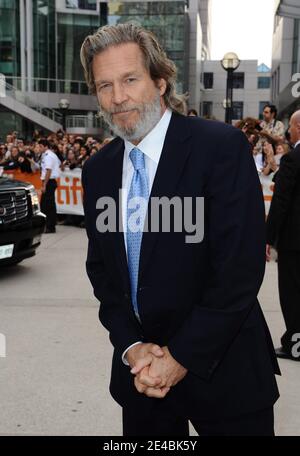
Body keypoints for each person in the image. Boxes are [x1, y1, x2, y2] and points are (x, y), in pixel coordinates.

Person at [80, 23, 280, 436]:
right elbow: (103, 273)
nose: (117, 98)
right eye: (104, 85)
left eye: (130, 79)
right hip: (142, 383)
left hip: (226, 374)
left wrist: (179, 357)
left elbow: (239, 269)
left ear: (160, 80)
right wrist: (131, 347)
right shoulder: (97, 171)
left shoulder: (220, 148)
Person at [266, 110, 300, 361]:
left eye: (291, 126)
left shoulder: (293, 159)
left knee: (292, 293)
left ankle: (294, 344)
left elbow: (281, 202)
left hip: (294, 242)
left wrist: (267, 237)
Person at [39, 139, 61, 233]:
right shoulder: (50, 155)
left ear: (45, 146)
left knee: (48, 205)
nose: (39, 148)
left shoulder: (48, 156)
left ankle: (50, 226)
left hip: (49, 182)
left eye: (40, 146)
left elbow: (48, 171)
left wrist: (44, 184)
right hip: (49, 181)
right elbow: (59, 163)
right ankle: (48, 224)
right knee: (46, 204)